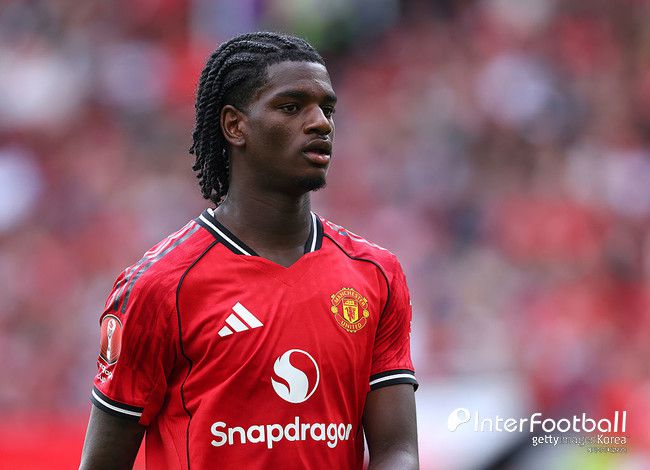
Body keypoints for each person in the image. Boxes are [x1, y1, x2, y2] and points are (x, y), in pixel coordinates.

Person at [79, 31, 418, 470]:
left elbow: (396, 449)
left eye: (327, 109)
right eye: (291, 107)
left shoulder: (375, 273)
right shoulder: (159, 287)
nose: (320, 123)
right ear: (235, 126)